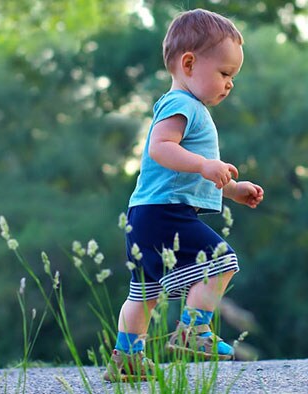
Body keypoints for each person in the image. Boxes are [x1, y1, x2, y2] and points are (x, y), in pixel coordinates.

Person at [103, 9, 264, 382]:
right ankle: (194, 331)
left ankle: (127, 356)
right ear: (188, 63)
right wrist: (206, 167)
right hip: (164, 214)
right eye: (224, 73)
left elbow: (193, 167)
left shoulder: (190, 108)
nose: (229, 84)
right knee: (222, 262)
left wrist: (233, 189)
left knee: (143, 294)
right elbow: (161, 148)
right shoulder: (180, 105)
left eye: (233, 77)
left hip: (147, 214)